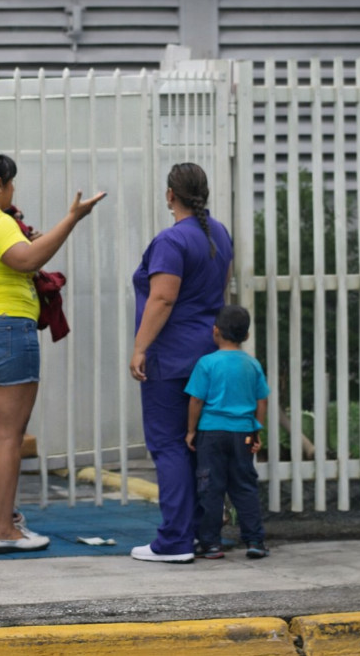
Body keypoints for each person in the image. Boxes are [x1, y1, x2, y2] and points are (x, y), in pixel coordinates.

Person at [0, 149, 105, 554]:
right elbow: (26, 259)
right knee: (8, 437)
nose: (13, 189)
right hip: (4, 330)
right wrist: (72, 219)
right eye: (11, 182)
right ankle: (2, 529)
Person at [129, 162, 233, 564]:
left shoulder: (171, 241)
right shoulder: (219, 234)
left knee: (169, 445)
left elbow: (163, 298)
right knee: (197, 446)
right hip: (208, 354)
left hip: (171, 357)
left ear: (170, 195)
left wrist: (140, 347)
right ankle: (204, 535)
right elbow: (221, 288)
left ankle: (174, 540)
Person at [185, 305, 269, 561]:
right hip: (243, 432)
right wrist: (256, 431)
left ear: (215, 331)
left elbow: (196, 400)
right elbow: (261, 401)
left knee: (210, 488)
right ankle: (254, 540)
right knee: (245, 487)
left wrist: (190, 431)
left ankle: (210, 543)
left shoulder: (207, 363)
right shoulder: (252, 364)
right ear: (246, 335)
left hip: (211, 434)